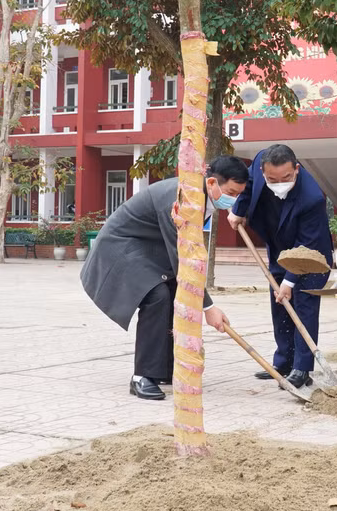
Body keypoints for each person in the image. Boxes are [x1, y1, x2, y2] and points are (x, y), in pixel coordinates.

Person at [80, 156, 245, 401]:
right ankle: (142, 376)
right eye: (231, 193)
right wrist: (208, 307)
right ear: (212, 183)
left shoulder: (201, 195)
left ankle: (166, 369)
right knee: (157, 296)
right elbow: (182, 260)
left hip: (149, 249)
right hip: (122, 246)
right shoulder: (180, 199)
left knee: (173, 293)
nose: (233, 199)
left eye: (238, 194)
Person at [227, 144, 333, 389]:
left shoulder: (312, 198)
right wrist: (238, 211)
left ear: (296, 169)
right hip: (278, 246)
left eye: (285, 178)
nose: (279, 183)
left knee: (303, 307)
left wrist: (289, 281)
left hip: (311, 256)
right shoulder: (258, 162)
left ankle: (302, 368)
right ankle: (284, 363)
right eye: (272, 179)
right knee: (280, 306)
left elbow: (306, 246)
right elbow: (248, 186)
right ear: (263, 171)